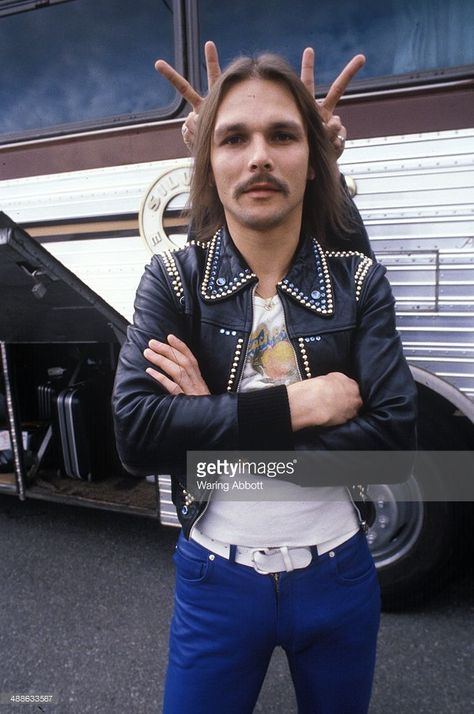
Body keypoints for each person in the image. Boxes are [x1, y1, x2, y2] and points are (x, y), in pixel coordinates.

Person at [112, 45, 417, 714]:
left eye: (283, 135)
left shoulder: (359, 283)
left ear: (311, 160)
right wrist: (299, 404)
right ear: (208, 164)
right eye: (233, 139)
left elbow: (394, 442)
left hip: (339, 575)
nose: (258, 156)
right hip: (215, 582)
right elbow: (136, 437)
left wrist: (210, 423)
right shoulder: (173, 281)